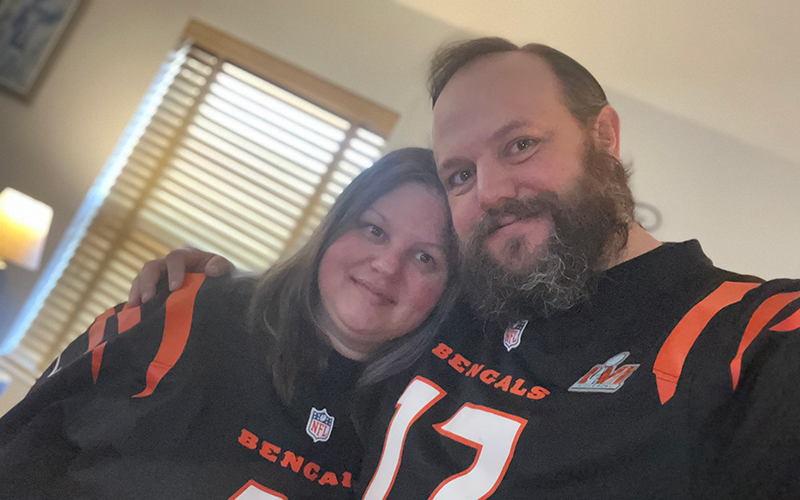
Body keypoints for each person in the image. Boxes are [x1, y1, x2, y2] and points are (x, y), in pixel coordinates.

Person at [130, 39, 800, 499]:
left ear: (604, 137)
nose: (492, 192)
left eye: (520, 144)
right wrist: (217, 289)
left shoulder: (753, 337)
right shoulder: (450, 304)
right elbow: (319, 330)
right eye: (460, 174)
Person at [0, 148, 460, 499]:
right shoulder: (188, 307)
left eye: (425, 257)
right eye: (373, 229)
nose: (386, 265)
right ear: (334, 228)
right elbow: (23, 446)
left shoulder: (419, 424)